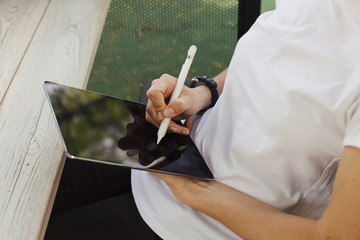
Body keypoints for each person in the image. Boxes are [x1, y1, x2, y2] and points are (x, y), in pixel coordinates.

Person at [45, 0, 360, 239]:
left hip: (199, 226)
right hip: (176, 156)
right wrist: (200, 94)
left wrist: (194, 190)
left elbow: (332, 235)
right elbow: (270, 56)